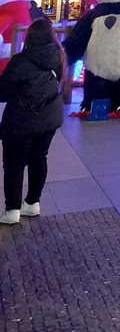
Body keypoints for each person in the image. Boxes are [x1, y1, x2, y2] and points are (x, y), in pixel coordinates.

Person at [0, 17, 65, 224]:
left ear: (29, 37)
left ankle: (12, 211)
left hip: (21, 120)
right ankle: (32, 203)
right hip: (49, 119)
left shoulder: (20, 61)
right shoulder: (59, 57)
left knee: (14, 165)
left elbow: (2, 92)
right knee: (39, 158)